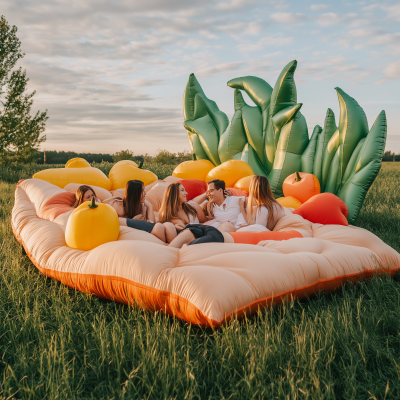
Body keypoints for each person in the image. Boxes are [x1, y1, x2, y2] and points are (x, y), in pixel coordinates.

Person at [103, 180, 168, 242]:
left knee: (162, 226)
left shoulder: (142, 206)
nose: (145, 193)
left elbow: (151, 225)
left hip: (140, 235)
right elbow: (111, 224)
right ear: (135, 194)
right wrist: (133, 222)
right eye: (142, 191)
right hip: (125, 236)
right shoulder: (118, 206)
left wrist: (150, 206)